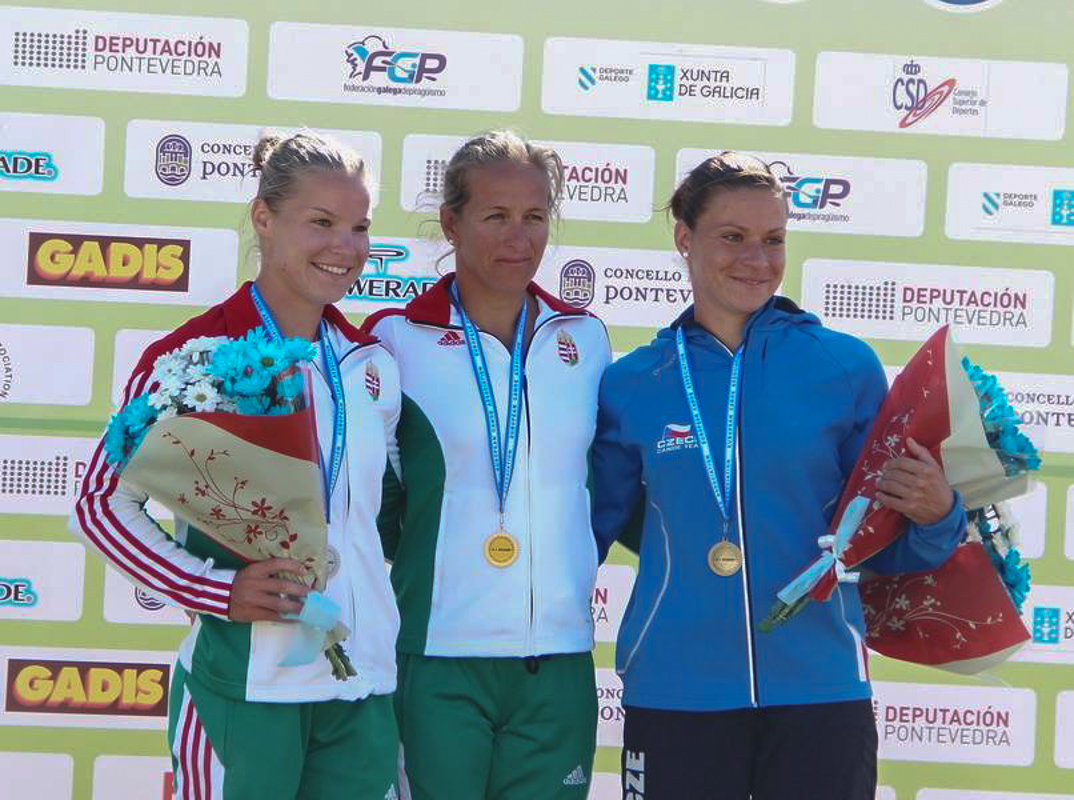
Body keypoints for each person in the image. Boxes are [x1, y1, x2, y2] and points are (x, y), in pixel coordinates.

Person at [591, 152, 966, 800]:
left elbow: (879, 543)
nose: (757, 259)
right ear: (684, 238)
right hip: (677, 687)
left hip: (820, 688)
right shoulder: (633, 383)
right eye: (733, 237)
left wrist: (939, 515)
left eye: (773, 239)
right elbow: (600, 528)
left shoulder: (843, 367)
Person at [70, 131, 402, 799]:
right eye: (322, 222)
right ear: (263, 218)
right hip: (244, 687)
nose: (345, 246)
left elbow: (384, 517)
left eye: (360, 227)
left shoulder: (372, 364)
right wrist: (212, 589)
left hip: (358, 685)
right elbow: (100, 503)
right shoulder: (196, 356)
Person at [361, 130, 611, 799]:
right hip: (439, 655)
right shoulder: (397, 339)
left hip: (557, 660)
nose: (518, 237)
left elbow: (602, 486)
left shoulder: (585, 339)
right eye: (495, 216)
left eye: (534, 216)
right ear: (451, 222)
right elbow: (376, 498)